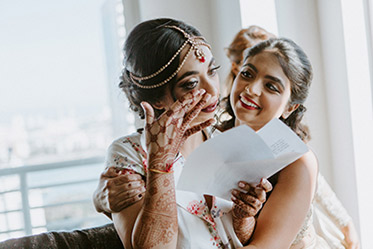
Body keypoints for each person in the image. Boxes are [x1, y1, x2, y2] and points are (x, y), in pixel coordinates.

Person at [98, 18, 270, 249]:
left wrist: (243, 216)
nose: (212, 90)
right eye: (190, 84)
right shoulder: (130, 154)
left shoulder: (225, 142)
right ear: (156, 99)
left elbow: (239, 239)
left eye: (212, 71)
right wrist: (160, 162)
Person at [223, 26, 360, 249]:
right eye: (247, 74)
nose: (251, 89)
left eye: (271, 86)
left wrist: (346, 225)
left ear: (290, 107)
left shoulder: (297, 161)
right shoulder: (210, 136)